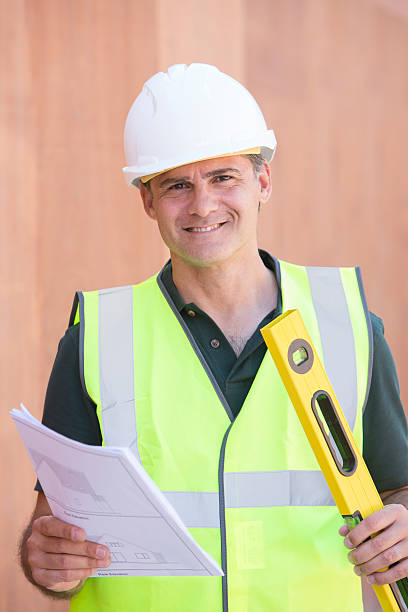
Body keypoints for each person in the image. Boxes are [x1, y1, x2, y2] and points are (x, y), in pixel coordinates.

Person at [20, 63, 408, 611]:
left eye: (223, 177)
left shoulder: (347, 325)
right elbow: (51, 538)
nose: (202, 205)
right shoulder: (95, 340)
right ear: (148, 202)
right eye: (177, 184)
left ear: (263, 182)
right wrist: (47, 563)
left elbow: (397, 487)